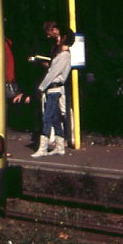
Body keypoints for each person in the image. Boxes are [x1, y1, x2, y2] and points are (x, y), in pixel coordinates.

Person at [31, 27, 74, 157]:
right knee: (55, 118)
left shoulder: (63, 56)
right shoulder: (63, 56)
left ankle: (43, 148)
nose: (58, 39)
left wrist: (41, 87)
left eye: (60, 37)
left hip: (53, 89)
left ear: (65, 38)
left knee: (47, 117)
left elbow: (52, 74)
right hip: (54, 89)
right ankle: (60, 146)